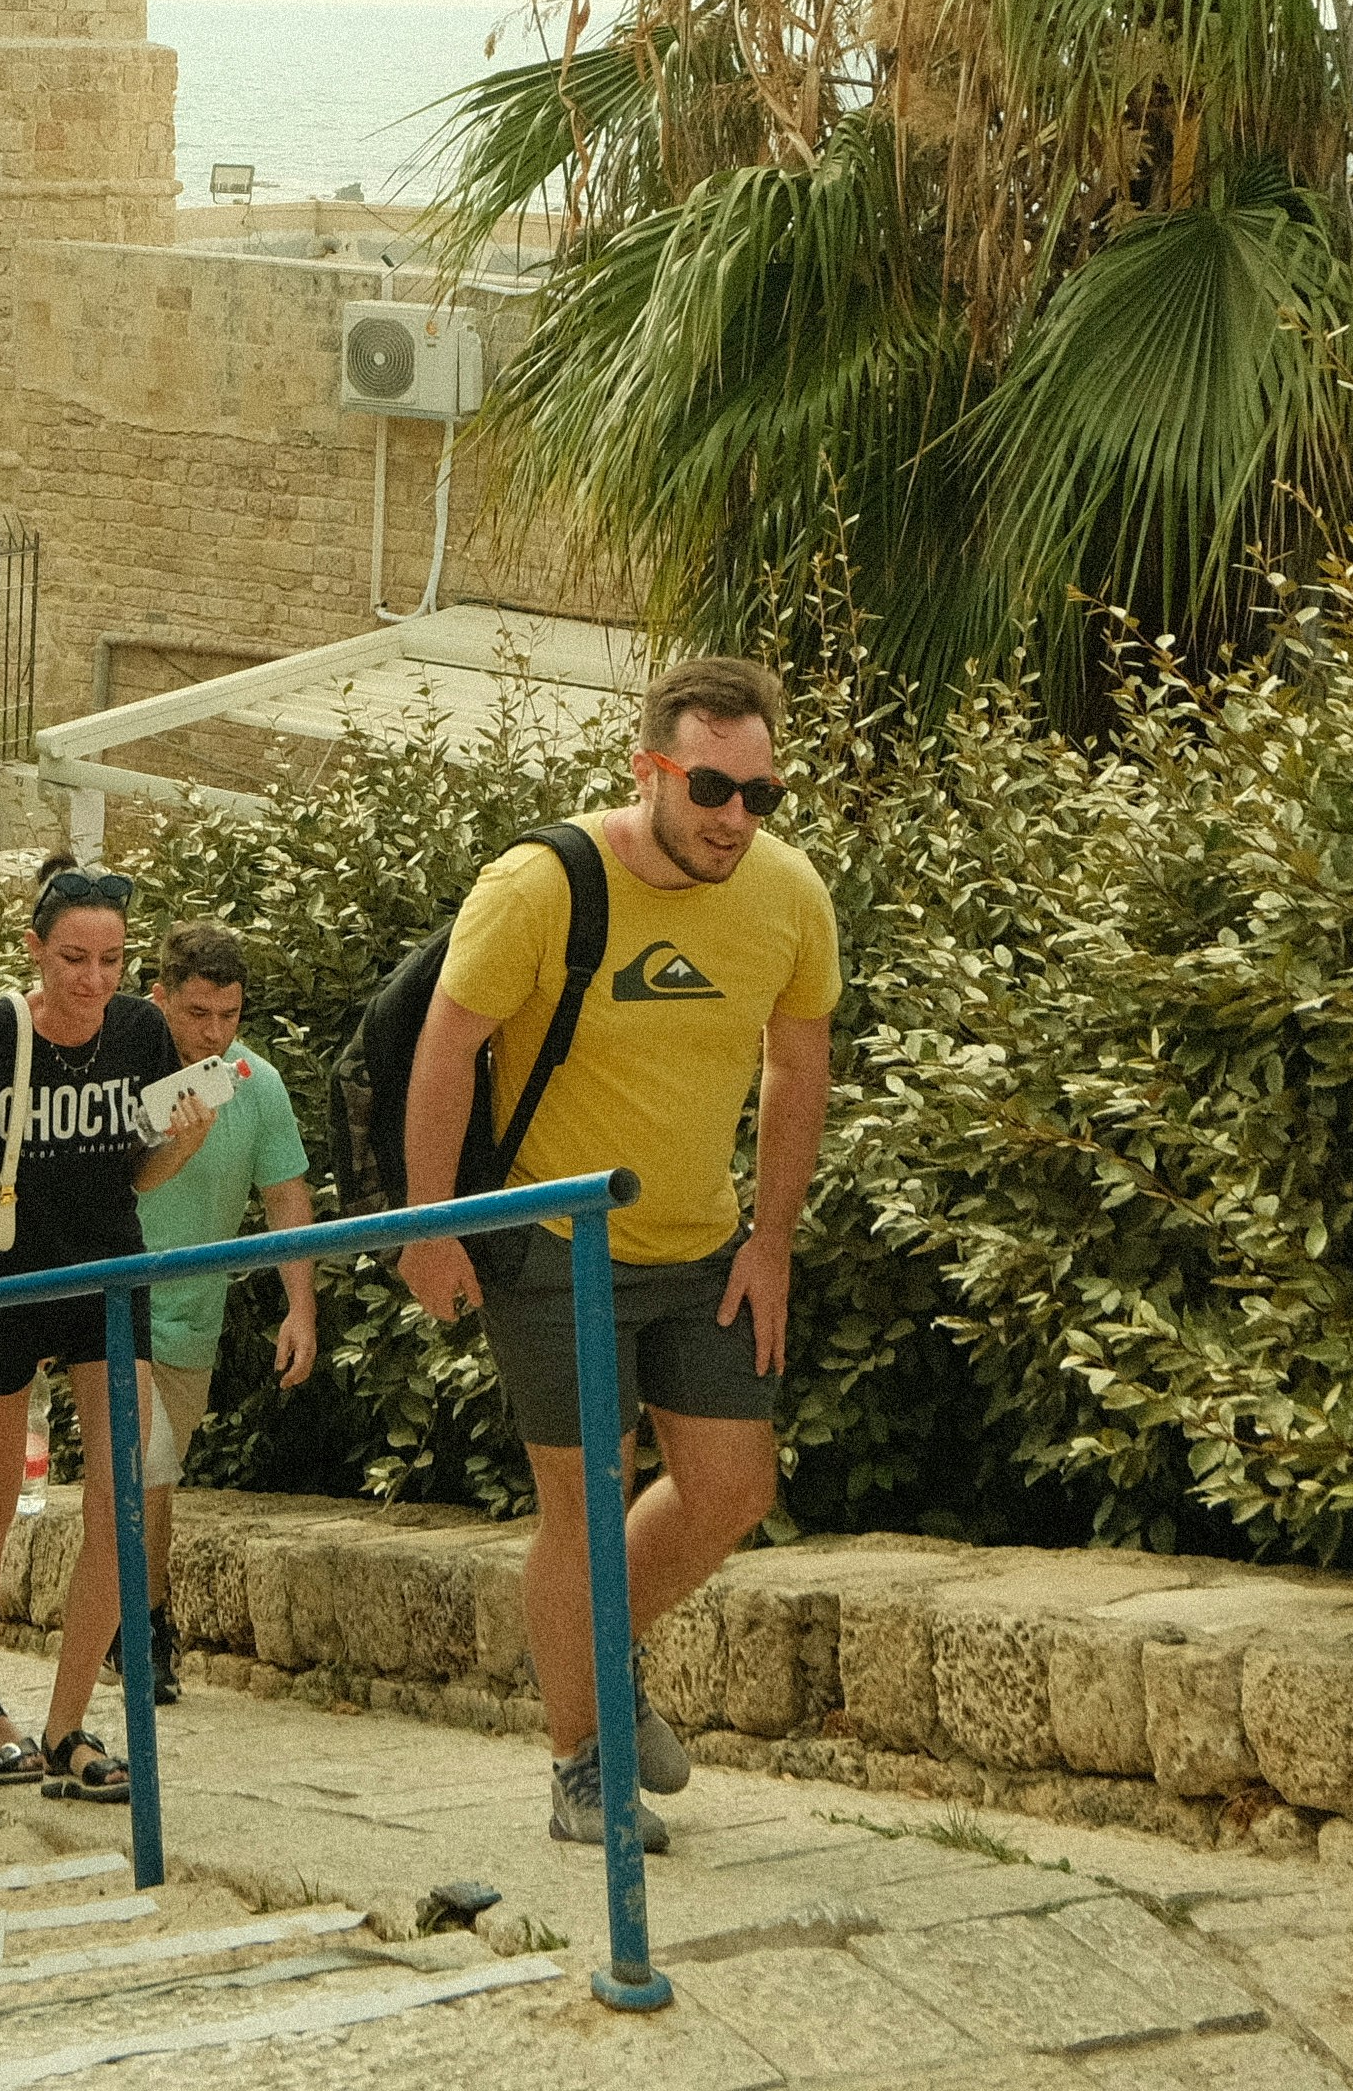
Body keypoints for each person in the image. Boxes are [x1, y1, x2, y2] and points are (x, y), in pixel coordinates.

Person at [395, 652, 836, 1854]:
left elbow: (796, 1062)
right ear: (650, 766)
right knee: (584, 1508)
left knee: (736, 1485)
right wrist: (429, 1224)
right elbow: (447, 1047)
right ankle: (582, 1764)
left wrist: (773, 1242)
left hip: (704, 1246)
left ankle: (604, 1658)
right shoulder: (540, 883)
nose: (735, 817)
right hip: (555, 1241)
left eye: (761, 794)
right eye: (710, 787)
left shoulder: (788, 893)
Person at [0, 859, 215, 1794]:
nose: (93, 979)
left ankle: (71, 1725)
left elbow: (136, 1175)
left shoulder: (142, 1030)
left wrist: (189, 1139)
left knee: (120, 1500)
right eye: (73, 957)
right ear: (36, 949)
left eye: (112, 959)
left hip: (105, 1276)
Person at [113, 917, 317, 1701]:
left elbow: (285, 1194)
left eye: (228, 1016)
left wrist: (301, 1307)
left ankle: (122, 1625)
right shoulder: (126, 1080)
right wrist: (183, 1141)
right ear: (158, 997)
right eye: (196, 1014)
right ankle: (146, 1634)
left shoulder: (254, 1083)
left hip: (192, 1320)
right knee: (150, 1470)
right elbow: (127, 1184)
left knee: (149, 1478)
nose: (213, 1032)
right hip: (116, 1310)